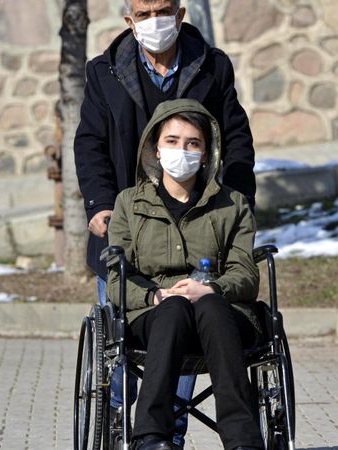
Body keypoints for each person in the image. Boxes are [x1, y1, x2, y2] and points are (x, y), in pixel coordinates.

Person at [74, 0, 256, 445]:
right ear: (130, 21)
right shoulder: (105, 72)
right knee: (122, 350)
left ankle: (165, 436)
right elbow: (90, 144)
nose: (155, 20)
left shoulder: (210, 66)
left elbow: (235, 139)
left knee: (189, 324)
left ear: (180, 14)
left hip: (200, 221)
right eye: (145, 11)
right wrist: (101, 206)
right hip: (130, 222)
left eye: (164, 10)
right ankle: (119, 424)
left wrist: (231, 206)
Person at [106, 99, 264, 450]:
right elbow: (118, 278)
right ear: (156, 150)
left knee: (208, 306)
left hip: (221, 314)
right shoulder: (128, 204)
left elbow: (246, 273)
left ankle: (243, 441)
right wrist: (155, 296)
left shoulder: (233, 205)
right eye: (173, 141)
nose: (183, 150)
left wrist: (213, 290)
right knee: (174, 309)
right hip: (154, 314)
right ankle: (150, 436)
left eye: (193, 143)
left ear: (207, 154)